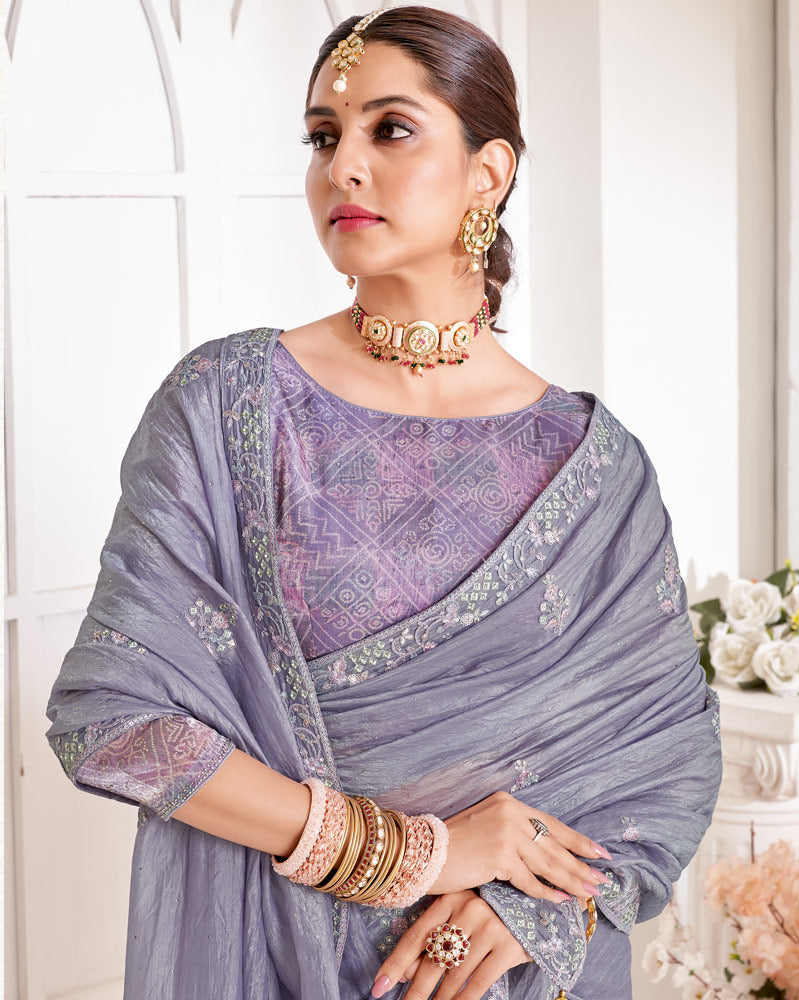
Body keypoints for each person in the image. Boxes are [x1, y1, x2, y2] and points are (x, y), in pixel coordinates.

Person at [44, 7, 723, 1000]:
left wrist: (529, 904)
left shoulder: (596, 468)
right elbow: (111, 719)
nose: (343, 167)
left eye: (389, 129)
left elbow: (666, 763)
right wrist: (414, 852)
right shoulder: (229, 405)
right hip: (275, 960)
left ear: (488, 172)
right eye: (323, 137)